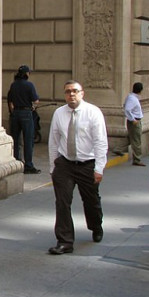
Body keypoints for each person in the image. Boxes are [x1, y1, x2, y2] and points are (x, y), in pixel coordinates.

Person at [47, 80, 108, 255]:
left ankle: (96, 225)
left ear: (82, 93)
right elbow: (54, 141)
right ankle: (65, 241)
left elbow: (100, 142)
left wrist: (99, 168)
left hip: (87, 164)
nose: (71, 94)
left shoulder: (93, 112)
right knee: (62, 202)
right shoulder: (59, 113)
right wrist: (53, 167)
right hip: (65, 164)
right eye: (67, 92)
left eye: (74, 91)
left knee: (91, 201)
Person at [7, 65, 41, 174]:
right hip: (26, 113)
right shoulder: (29, 85)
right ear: (27, 74)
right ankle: (28, 165)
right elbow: (35, 100)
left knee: (16, 139)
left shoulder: (13, 85)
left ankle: (17, 162)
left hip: (15, 113)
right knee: (28, 140)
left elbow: (10, 101)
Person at [114, 82, 145, 166]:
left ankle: (118, 149)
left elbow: (125, 106)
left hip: (134, 120)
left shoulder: (131, 97)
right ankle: (137, 159)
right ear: (140, 90)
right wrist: (133, 119)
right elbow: (127, 109)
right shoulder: (132, 99)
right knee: (136, 140)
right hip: (135, 121)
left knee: (130, 138)